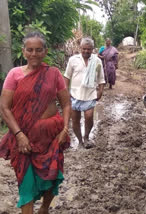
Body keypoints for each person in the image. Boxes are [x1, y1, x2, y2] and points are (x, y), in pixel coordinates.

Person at [0, 31, 71, 214]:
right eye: (30, 50)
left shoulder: (54, 74)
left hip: (51, 137)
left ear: (45, 52)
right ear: (23, 52)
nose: (34, 54)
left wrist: (65, 128)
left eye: (38, 50)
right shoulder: (14, 74)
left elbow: (66, 103)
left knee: (52, 177)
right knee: (26, 184)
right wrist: (19, 135)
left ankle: (45, 209)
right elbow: (4, 108)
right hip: (24, 141)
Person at [64, 38, 105, 149]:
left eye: (89, 49)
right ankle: (80, 141)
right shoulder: (73, 60)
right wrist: (66, 92)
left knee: (89, 116)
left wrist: (100, 91)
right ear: (80, 48)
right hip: (75, 94)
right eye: (84, 49)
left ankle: (86, 137)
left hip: (90, 94)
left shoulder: (97, 61)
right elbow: (67, 76)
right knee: (75, 120)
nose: (86, 51)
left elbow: (101, 78)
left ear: (92, 49)